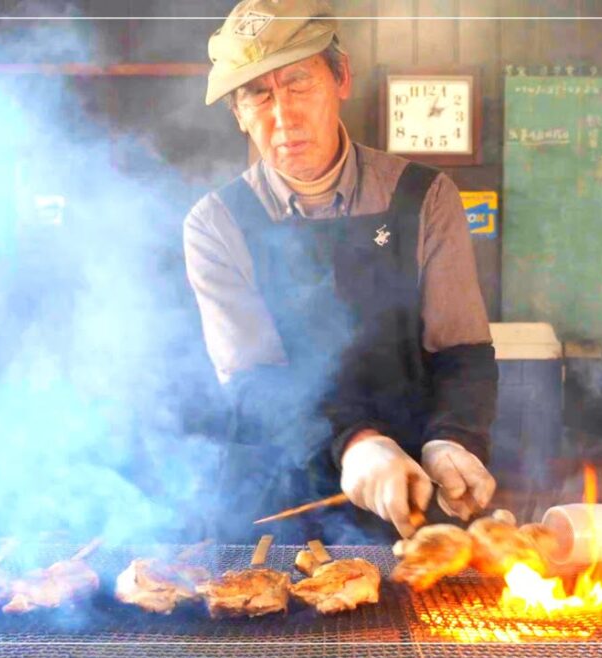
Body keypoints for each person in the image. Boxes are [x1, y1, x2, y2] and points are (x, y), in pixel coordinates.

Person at [184, 0, 498, 541]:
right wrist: (354, 442)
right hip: (277, 506)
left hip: (412, 495)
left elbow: (462, 353)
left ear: (341, 76)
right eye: (258, 94)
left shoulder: (423, 198)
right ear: (238, 113)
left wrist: (452, 438)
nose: (283, 117)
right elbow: (254, 384)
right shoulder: (216, 225)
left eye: (298, 83)